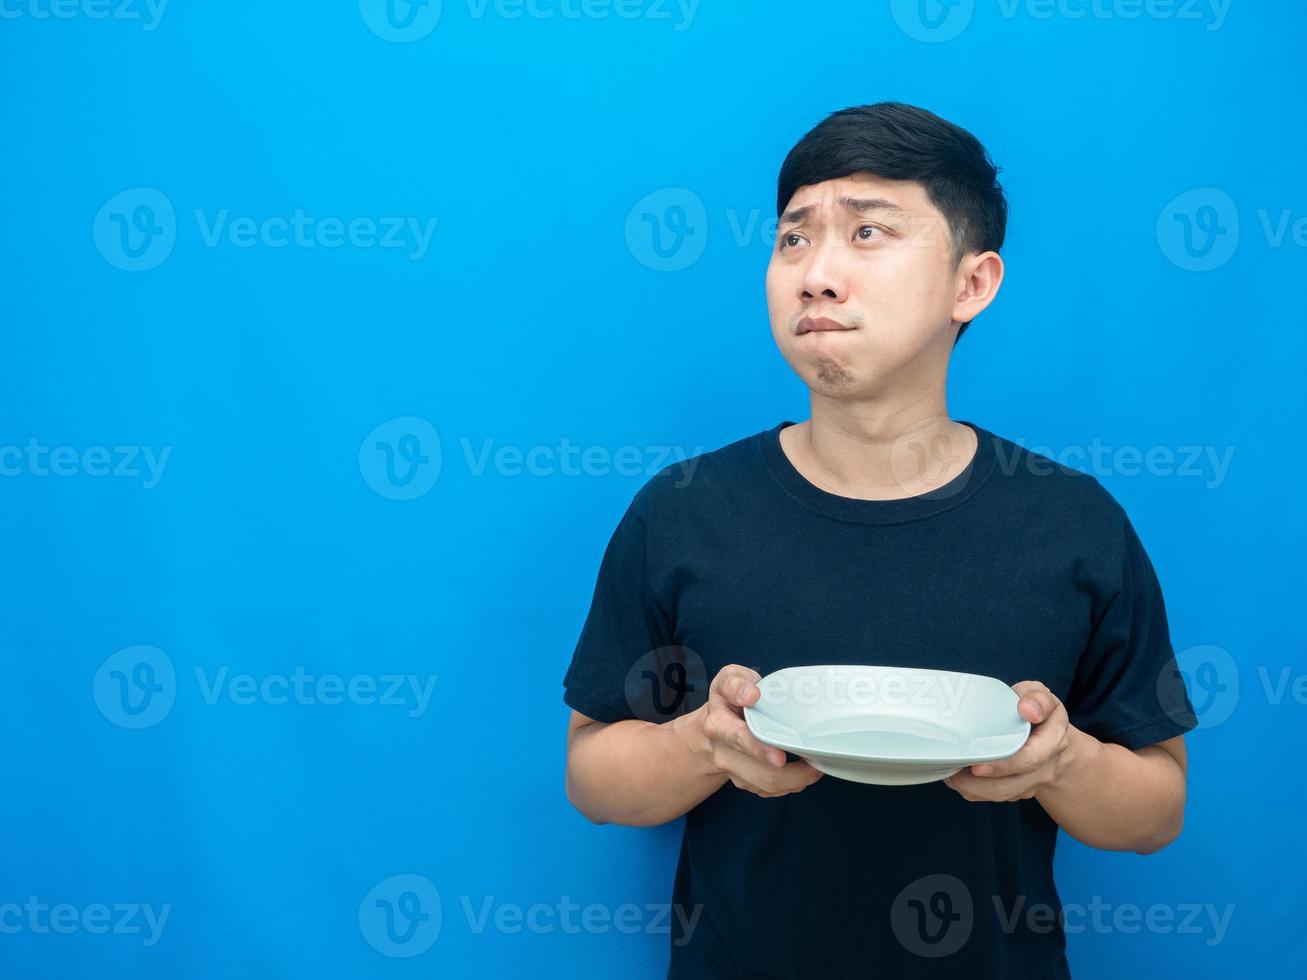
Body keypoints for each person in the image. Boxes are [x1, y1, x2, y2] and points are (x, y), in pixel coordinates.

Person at [560, 101, 1197, 979]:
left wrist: (1061, 760)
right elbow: (592, 775)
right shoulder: (681, 511)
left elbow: (1157, 811)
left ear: (971, 284)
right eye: (793, 239)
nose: (816, 275)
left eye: (867, 232)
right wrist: (700, 744)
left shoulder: (1072, 520)